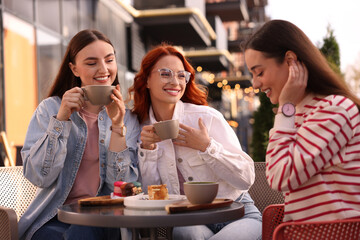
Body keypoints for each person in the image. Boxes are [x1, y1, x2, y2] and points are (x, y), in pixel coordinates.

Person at [128, 44, 262, 240]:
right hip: (190, 220)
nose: (175, 81)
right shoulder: (140, 128)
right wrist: (148, 150)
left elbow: (247, 178)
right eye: (165, 73)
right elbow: (153, 200)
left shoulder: (206, 118)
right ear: (147, 80)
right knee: (185, 232)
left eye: (181, 75)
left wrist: (207, 147)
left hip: (237, 214)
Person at [19, 29, 140, 240]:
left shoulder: (127, 117)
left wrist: (117, 126)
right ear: (74, 69)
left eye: (109, 60)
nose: (104, 69)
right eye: (91, 63)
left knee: (84, 231)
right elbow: (39, 176)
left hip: (107, 218)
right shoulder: (50, 109)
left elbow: (121, 186)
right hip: (55, 217)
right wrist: (62, 120)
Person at [243, 19, 360, 222]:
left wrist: (285, 107)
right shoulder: (295, 114)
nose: (255, 84)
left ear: (290, 60)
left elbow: (279, 176)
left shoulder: (334, 109)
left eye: (259, 72)